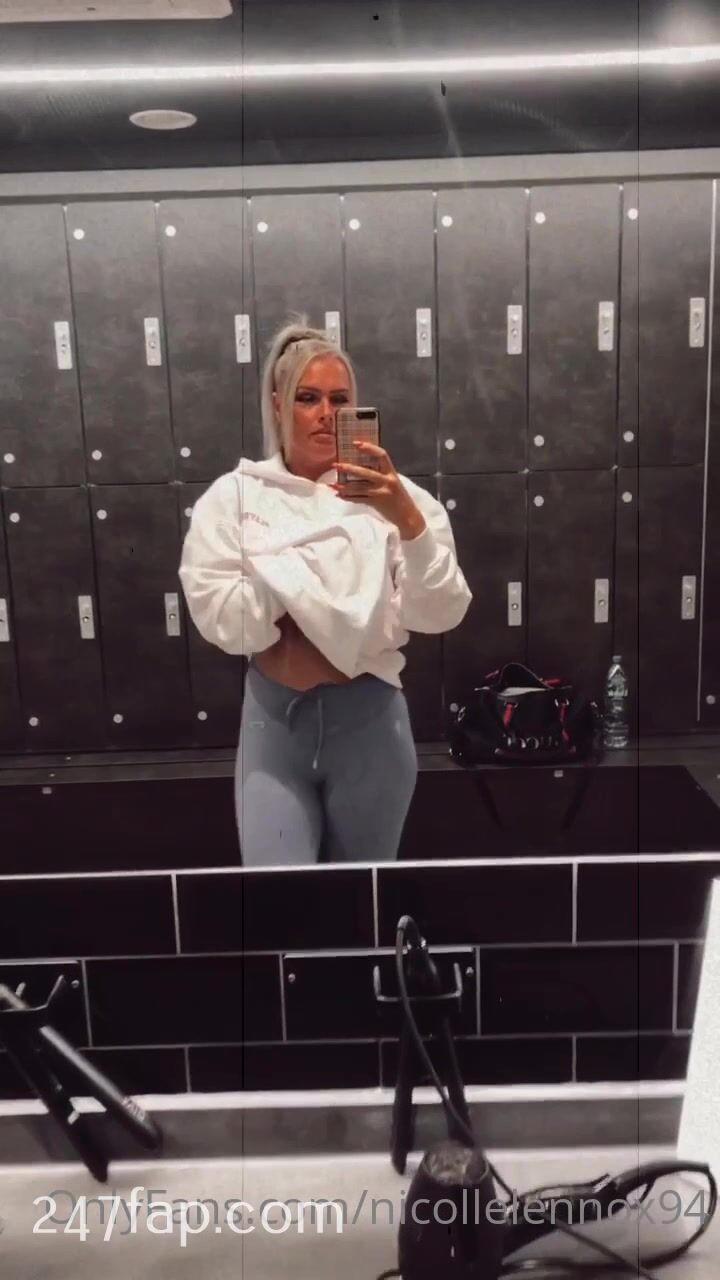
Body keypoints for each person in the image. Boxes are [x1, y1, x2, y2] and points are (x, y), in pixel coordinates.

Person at [179, 319, 472, 865]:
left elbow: (441, 612)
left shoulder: (397, 499)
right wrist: (315, 554)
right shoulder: (236, 498)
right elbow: (229, 625)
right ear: (277, 405)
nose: (325, 413)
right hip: (273, 726)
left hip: (371, 727)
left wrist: (408, 523)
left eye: (339, 399)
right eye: (307, 398)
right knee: (277, 896)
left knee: (362, 900)